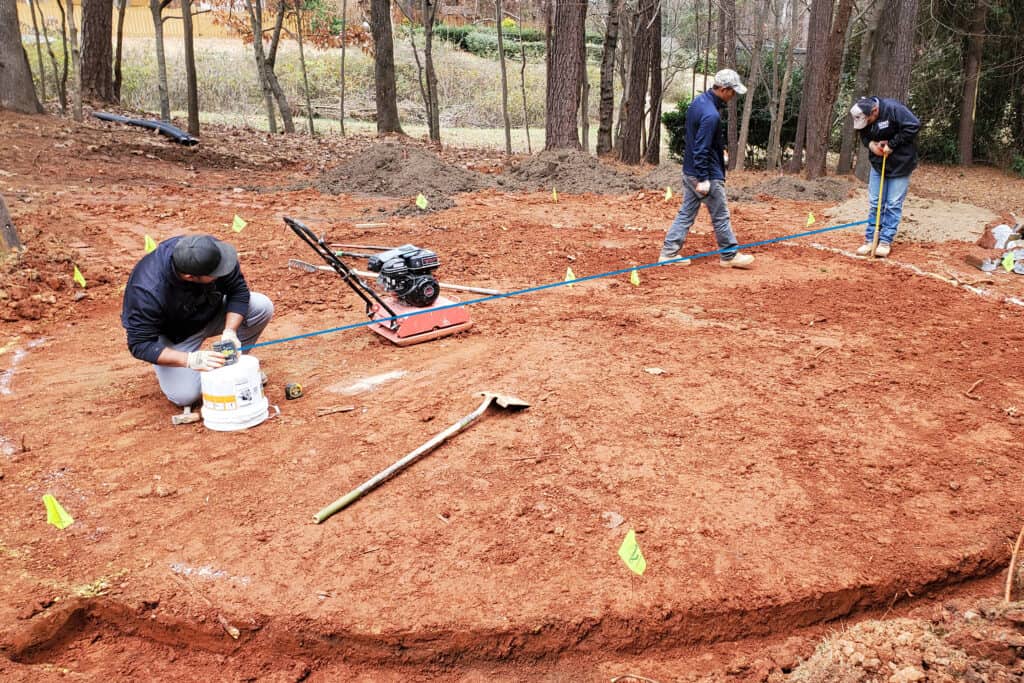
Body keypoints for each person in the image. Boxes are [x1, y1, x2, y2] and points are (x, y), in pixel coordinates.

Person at [121, 234, 274, 408]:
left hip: (210, 312)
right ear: (189, 276)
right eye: (215, 273)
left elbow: (238, 292)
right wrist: (190, 360)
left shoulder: (212, 254)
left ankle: (231, 368)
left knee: (261, 306)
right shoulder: (146, 292)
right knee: (185, 395)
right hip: (175, 334)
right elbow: (140, 345)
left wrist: (230, 331)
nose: (223, 270)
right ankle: (191, 368)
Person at [659, 69, 755, 269]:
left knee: (686, 213)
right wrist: (704, 178)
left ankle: (668, 253)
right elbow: (700, 148)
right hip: (705, 173)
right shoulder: (711, 114)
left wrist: (719, 153)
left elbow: (699, 140)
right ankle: (729, 254)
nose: (733, 96)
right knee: (720, 214)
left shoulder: (699, 102)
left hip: (691, 170)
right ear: (723, 89)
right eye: (732, 91)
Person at [849, 96, 920, 258]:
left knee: (893, 203)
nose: (865, 125)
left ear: (874, 111)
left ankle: (885, 241)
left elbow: (913, 125)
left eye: (868, 120)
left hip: (901, 163)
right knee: (875, 202)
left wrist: (892, 144)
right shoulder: (863, 119)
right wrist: (872, 145)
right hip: (878, 163)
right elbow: (864, 136)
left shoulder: (894, 109)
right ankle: (870, 240)